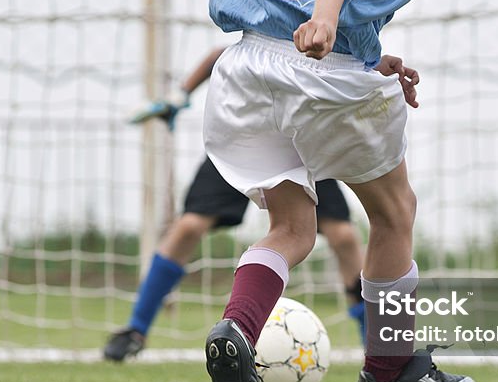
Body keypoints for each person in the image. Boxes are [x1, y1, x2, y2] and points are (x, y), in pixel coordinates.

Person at [202, 0, 498, 382]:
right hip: (318, 69)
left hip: (245, 65)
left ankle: (237, 332)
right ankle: (389, 370)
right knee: (394, 210)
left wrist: (368, 54)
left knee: (292, 228)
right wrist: (325, 20)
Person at [103, 48, 368, 362]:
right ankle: (136, 329)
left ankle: (374, 344)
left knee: (345, 237)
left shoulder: (335, 38)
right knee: (189, 226)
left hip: (299, 139)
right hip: (244, 133)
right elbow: (220, 54)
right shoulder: (270, 30)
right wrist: (180, 94)